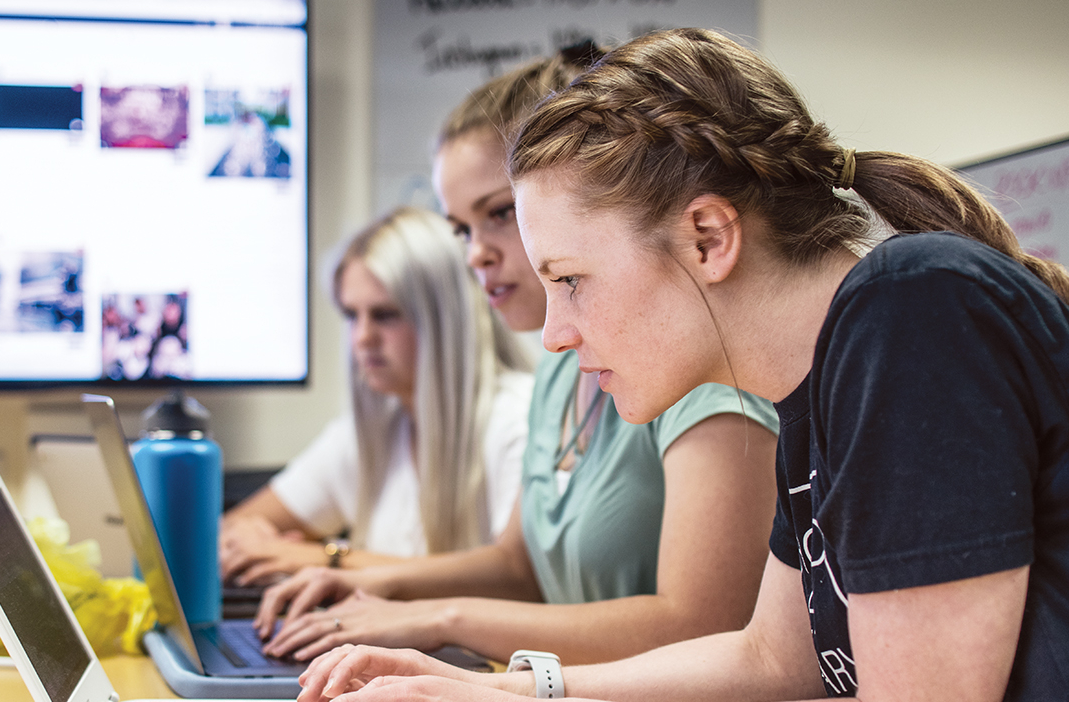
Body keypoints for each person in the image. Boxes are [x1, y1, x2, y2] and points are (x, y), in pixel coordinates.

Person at [295, 27, 1069, 702]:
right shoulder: (818, 385)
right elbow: (767, 660)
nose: (555, 335)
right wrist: (497, 685)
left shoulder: (912, 311)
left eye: (569, 280)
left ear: (707, 237)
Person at [250, 43, 782, 667]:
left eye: (501, 213)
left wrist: (437, 616)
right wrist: (381, 590)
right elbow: (518, 566)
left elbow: (703, 627)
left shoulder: (701, 375)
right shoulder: (561, 361)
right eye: (461, 229)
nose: (476, 254)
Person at [221, 207, 535, 581]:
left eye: (386, 315)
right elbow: (230, 532)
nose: (362, 338)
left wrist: (325, 559)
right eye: (352, 315)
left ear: (444, 318)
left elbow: (511, 580)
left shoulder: (519, 418)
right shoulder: (375, 429)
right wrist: (255, 541)